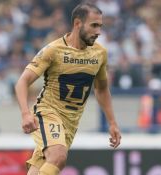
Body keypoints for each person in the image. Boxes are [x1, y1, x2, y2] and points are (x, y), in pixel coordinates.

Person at [15, 3, 121, 175]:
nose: (98, 31)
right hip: (48, 112)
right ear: (78, 23)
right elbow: (22, 82)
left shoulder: (99, 53)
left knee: (40, 168)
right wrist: (25, 113)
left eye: (100, 26)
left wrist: (112, 122)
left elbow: (101, 89)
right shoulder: (53, 50)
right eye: (94, 25)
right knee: (58, 156)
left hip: (71, 124)